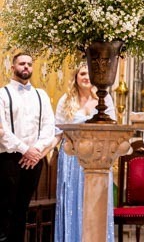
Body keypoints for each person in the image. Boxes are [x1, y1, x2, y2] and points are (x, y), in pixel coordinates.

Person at [54, 64, 116, 242]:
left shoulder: (105, 98)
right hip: (72, 158)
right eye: (82, 73)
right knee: (73, 201)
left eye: (89, 73)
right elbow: (57, 133)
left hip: (98, 157)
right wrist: (41, 152)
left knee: (96, 201)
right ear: (75, 77)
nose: (86, 77)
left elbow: (113, 127)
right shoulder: (66, 100)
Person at [0, 53, 56, 242]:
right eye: (22, 63)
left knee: (22, 209)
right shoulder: (3, 94)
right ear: (12, 67)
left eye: (29, 64)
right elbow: (2, 130)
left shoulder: (41, 95)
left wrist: (36, 150)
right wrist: (25, 149)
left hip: (34, 159)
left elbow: (49, 127)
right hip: (9, 159)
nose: (26, 67)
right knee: (5, 209)